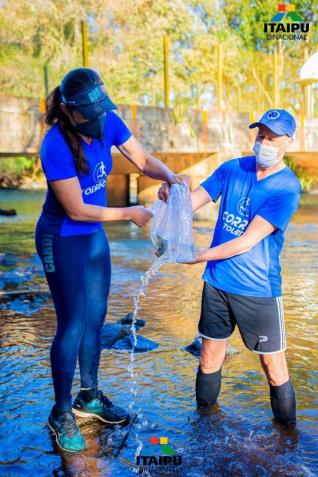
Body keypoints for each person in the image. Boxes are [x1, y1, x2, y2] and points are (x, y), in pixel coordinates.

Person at [35, 67, 190, 453]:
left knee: (96, 317)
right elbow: (75, 210)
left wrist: (170, 177)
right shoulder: (54, 145)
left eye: (101, 113)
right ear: (69, 112)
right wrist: (130, 213)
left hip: (92, 240)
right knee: (71, 322)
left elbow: (143, 159)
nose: (98, 123)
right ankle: (61, 411)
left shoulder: (108, 120)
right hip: (62, 238)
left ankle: (89, 397)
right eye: (89, 117)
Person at [159, 109, 301, 425]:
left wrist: (194, 255)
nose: (264, 142)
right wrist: (172, 193)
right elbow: (188, 205)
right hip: (218, 282)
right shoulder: (232, 169)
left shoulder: (287, 187)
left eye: (272, 137)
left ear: (288, 142)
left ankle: (287, 441)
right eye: (260, 135)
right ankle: (205, 426)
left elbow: (247, 241)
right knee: (209, 358)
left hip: (259, 290)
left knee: (273, 367)